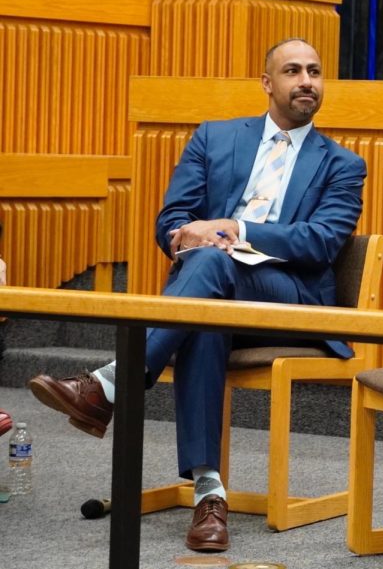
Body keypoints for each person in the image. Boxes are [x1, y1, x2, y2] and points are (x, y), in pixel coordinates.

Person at [27, 38, 365, 553]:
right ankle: (210, 492)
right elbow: (171, 219)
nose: (306, 81)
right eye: (292, 70)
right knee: (206, 315)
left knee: (210, 270)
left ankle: (110, 384)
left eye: (314, 72)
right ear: (267, 83)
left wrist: (234, 227)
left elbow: (320, 241)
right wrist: (185, 235)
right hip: (214, 291)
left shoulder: (341, 164)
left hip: (289, 297)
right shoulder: (215, 137)